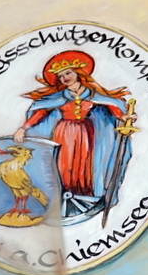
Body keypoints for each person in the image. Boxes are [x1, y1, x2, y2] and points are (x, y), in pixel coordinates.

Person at [12, 50, 135, 222]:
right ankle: (62, 196)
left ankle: (83, 196)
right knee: (63, 164)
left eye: (68, 73)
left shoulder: (92, 94)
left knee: (84, 164)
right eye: (61, 76)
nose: (65, 78)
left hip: (85, 132)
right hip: (63, 132)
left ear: (78, 73)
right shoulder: (59, 97)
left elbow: (111, 105)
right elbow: (40, 112)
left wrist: (123, 117)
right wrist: (23, 128)